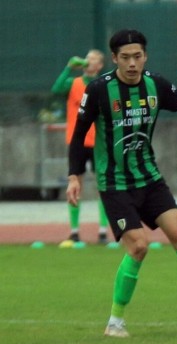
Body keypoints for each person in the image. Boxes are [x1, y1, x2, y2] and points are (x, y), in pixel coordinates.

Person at [66, 29, 177, 338]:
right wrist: (74, 176)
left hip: (150, 178)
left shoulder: (155, 84)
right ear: (115, 59)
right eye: (125, 58)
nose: (132, 63)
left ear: (144, 56)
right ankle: (115, 322)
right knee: (139, 247)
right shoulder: (99, 90)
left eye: (137, 56)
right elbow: (79, 135)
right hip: (115, 183)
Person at [52, 49, 110, 245]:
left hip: (98, 142)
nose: (89, 62)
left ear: (100, 65)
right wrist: (69, 67)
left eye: (94, 60)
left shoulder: (103, 85)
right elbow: (57, 89)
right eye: (88, 58)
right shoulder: (74, 83)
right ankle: (74, 231)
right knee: (76, 184)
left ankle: (103, 230)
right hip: (77, 142)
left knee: (103, 184)